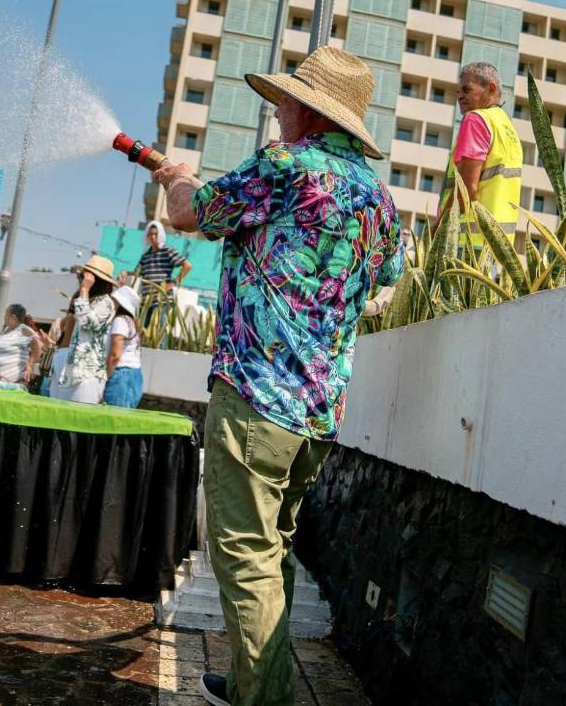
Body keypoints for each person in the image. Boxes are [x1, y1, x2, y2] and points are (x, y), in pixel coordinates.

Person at [151, 46, 404, 706]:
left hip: (256, 394)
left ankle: (261, 701)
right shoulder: (379, 199)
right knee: (274, 551)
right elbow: (387, 276)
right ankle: (246, 684)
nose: (277, 109)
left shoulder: (287, 165)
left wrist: (176, 175)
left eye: (285, 100)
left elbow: (190, 214)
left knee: (245, 558)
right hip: (317, 412)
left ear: (313, 113)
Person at [436, 61, 523, 245]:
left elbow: (467, 188)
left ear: (490, 89)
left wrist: (437, 229)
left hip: (465, 242)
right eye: (457, 92)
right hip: (497, 245)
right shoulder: (508, 129)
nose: (459, 96)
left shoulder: (475, 120)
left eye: (466, 90)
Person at [51, 254, 117, 403]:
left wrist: (85, 290)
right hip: (69, 369)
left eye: (85, 277)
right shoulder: (85, 300)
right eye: (82, 276)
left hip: (88, 374)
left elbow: (86, 321)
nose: (81, 280)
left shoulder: (106, 303)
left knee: (76, 422)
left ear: (96, 280)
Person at [101, 285, 143, 408]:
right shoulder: (131, 322)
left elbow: (115, 355)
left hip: (121, 376)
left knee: (113, 421)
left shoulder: (120, 321)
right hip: (134, 374)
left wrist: (105, 378)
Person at [0, 302, 40, 385]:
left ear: (13, 317)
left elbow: (37, 343)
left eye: (6, 314)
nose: (4, 316)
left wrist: (30, 364)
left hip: (6, 383)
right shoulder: (7, 329)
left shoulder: (23, 330)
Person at [135, 220, 191, 297]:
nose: (153, 237)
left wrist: (173, 283)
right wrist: (125, 273)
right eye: (150, 234)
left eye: (155, 234)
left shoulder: (167, 251)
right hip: (146, 303)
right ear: (147, 235)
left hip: (162, 301)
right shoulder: (145, 256)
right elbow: (136, 273)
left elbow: (187, 266)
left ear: (160, 235)